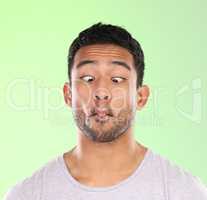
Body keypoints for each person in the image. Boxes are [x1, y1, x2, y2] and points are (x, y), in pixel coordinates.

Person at [4, 22, 207, 200]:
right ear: (68, 94)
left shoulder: (184, 192)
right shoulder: (27, 195)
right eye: (87, 79)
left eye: (117, 79)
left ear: (141, 97)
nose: (101, 92)